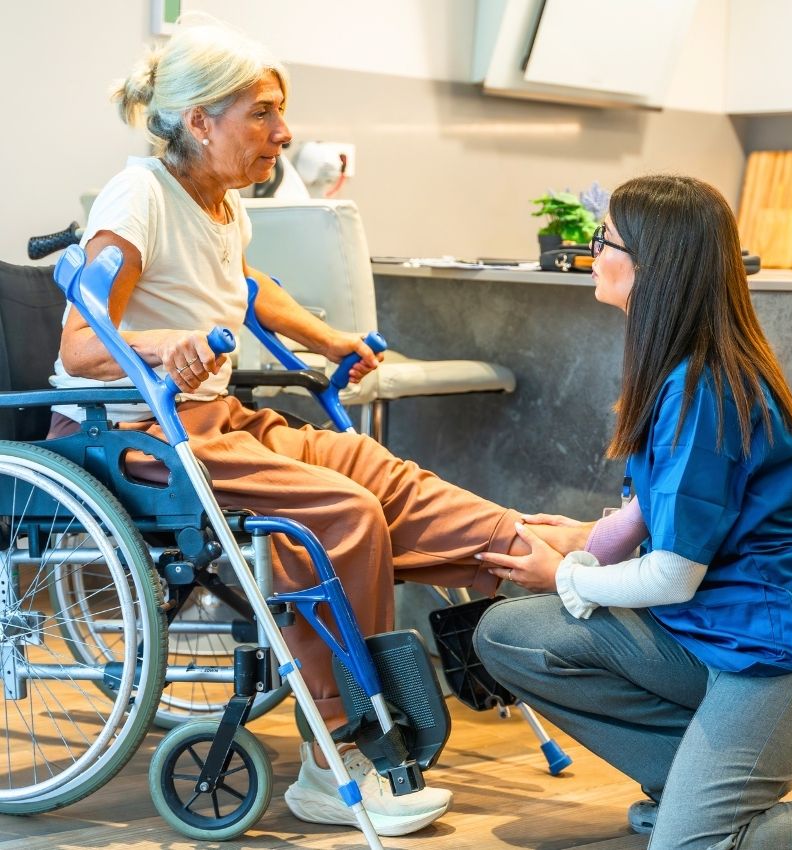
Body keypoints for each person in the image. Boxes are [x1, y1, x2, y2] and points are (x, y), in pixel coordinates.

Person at [47, 19, 577, 839]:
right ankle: (340, 748)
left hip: (219, 422)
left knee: (374, 469)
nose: (283, 134)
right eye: (262, 114)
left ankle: (545, 551)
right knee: (340, 514)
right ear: (200, 121)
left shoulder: (219, 206)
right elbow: (82, 343)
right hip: (139, 438)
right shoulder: (139, 197)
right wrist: (164, 345)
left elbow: (247, 288)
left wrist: (328, 339)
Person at [474, 174, 792, 850]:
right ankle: (690, 791)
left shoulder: (705, 390)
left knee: (693, 847)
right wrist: (586, 538)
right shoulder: (678, 375)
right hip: (704, 635)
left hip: (772, 655)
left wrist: (567, 578)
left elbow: (672, 574)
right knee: (511, 634)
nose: (592, 253)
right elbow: (652, 512)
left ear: (653, 266)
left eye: (604, 241)